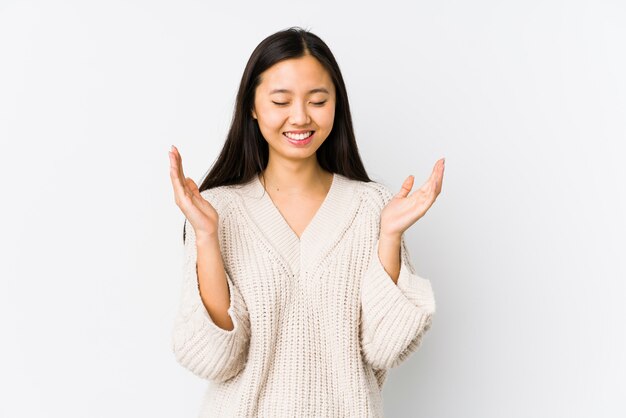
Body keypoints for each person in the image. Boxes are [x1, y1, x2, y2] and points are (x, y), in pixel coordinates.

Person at [168, 26, 445, 418]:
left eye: (317, 100)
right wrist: (207, 235)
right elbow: (215, 359)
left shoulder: (374, 208)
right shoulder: (215, 211)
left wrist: (389, 235)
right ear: (252, 105)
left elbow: (385, 349)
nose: (300, 117)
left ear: (337, 105)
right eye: (280, 101)